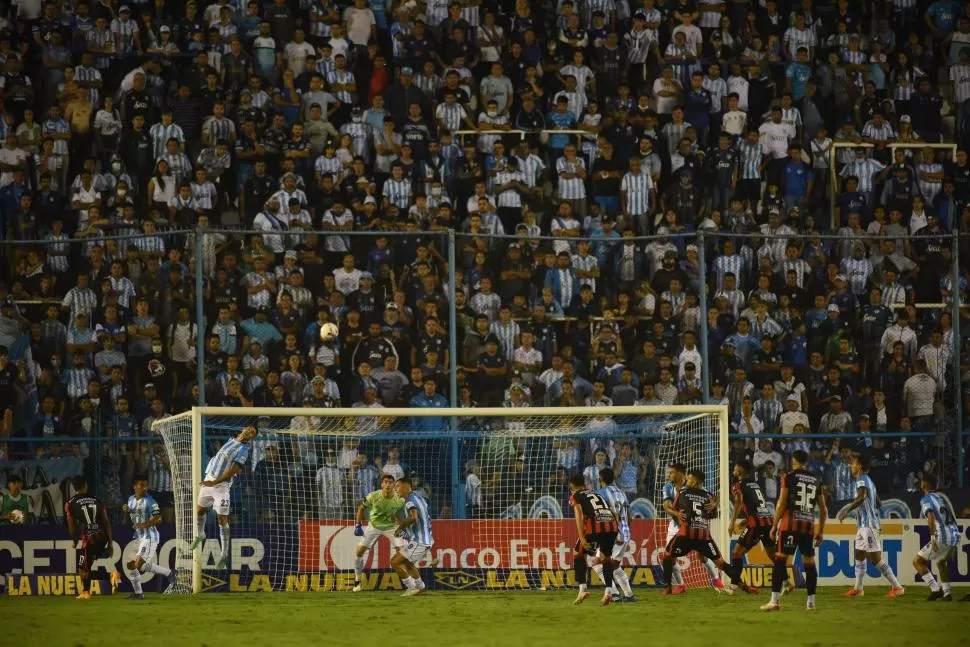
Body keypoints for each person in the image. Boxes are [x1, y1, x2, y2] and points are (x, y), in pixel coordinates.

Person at [660, 469, 743, 596]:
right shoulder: (709, 496)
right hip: (703, 536)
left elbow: (675, 509)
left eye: (689, 478)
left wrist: (679, 514)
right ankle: (741, 584)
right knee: (721, 563)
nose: (687, 480)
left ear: (694, 482)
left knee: (667, 556)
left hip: (685, 535)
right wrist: (715, 504)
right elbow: (713, 515)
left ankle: (667, 587)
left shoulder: (681, 493)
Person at [761, 449, 826, 612]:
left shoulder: (788, 476)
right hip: (808, 526)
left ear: (794, 461)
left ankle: (774, 601)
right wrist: (821, 531)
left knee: (780, 560)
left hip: (790, 525)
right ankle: (811, 603)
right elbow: (823, 509)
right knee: (809, 564)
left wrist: (774, 525)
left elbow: (782, 502)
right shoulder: (816, 479)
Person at [837, 452, 905, 598]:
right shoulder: (869, 481)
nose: (851, 466)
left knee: (875, 559)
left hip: (868, 526)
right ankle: (858, 588)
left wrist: (848, 510)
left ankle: (897, 587)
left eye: (853, 463)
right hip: (864, 525)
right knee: (859, 555)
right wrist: (864, 511)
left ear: (860, 465)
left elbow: (862, 497)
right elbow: (878, 503)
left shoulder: (861, 479)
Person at [191, 425, 259, 569]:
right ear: (244, 428)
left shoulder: (244, 450)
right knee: (199, 510)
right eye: (249, 429)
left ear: (252, 437)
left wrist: (215, 482)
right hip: (209, 479)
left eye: (253, 433)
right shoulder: (231, 440)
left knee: (222, 519)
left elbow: (233, 470)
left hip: (221, 486)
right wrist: (210, 479)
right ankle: (200, 534)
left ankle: (224, 554)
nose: (249, 432)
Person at [65, 475, 121, 600]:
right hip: (102, 537)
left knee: (82, 566)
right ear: (86, 485)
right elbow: (106, 522)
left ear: (74, 488)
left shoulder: (70, 503)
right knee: (87, 564)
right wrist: (110, 543)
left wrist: (74, 540)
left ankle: (86, 592)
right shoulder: (97, 500)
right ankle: (111, 576)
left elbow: (72, 525)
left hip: (89, 538)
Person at [568, 473, 619, 606]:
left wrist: (582, 538)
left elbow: (579, 514)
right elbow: (613, 511)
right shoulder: (597, 493)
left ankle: (583, 590)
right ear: (584, 485)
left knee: (578, 554)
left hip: (595, 527)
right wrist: (617, 529)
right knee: (606, 558)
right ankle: (608, 591)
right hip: (612, 526)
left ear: (571, 487)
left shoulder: (575, 496)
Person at [123, 475, 177, 599]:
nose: (145, 488)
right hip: (138, 537)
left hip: (150, 537)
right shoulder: (130, 499)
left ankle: (168, 574)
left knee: (137, 565)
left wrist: (144, 524)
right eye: (142, 485)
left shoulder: (150, 501)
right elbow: (133, 513)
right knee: (133, 565)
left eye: (146, 485)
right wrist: (126, 511)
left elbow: (159, 519)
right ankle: (139, 592)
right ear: (134, 486)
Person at [727, 459, 775, 594]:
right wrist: (746, 520)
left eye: (736, 467)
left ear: (741, 470)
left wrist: (732, 523)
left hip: (756, 524)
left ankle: (733, 586)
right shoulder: (755, 484)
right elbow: (756, 503)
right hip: (767, 521)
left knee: (736, 553)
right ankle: (786, 582)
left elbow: (738, 502)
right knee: (773, 556)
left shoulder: (738, 485)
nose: (733, 470)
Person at [352, 474, 405, 592]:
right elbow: (361, 508)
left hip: (391, 527)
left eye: (391, 482)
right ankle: (357, 581)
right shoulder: (373, 496)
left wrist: (402, 526)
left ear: (394, 485)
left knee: (405, 550)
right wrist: (358, 525)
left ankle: (411, 581)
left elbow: (400, 514)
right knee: (359, 551)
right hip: (374, 526)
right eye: (385, 482)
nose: (388, 485)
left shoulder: (400, 499)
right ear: (382, 484)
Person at [914, 474, 960, 601]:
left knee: (917, 561)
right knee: (941, 562)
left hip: (942, 536)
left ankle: (935, 589)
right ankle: (947, 593)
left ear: (924, 484)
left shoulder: (926, 499)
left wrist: (933, 538)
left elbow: (930, 518)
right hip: (955, 534)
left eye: (921, 481)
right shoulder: (941, 497)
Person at [595, 468, 636, 602]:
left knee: (598, 563)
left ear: (600, 479)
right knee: (615, 566)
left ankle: (614, 594)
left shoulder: (601, 493)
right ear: (613, 479)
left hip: (613, 534)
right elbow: (630, 516)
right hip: (625, 533)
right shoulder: (622, 493)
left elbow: (607, 515)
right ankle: (629, 595)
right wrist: (625, 533)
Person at [392, 477, 434, 597]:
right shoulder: (420, 498)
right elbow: (419, 520)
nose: (396, 489)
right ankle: (420, 587)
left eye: (398, 486)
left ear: (407, 487)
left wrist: (400, 527)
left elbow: (414, 517)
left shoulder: (410, 500)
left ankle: (411, 588)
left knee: (395, 562)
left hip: (420, 542)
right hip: (425, 540)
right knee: (408, 564)